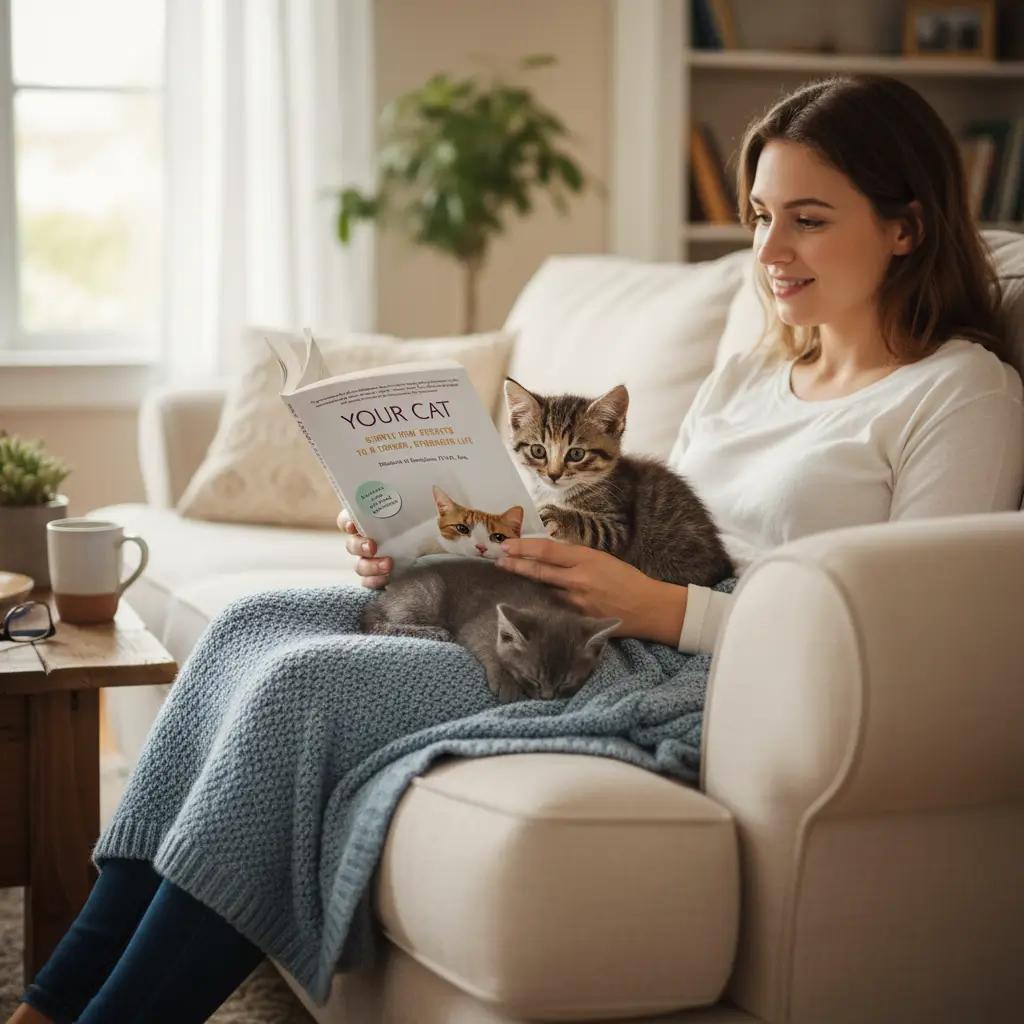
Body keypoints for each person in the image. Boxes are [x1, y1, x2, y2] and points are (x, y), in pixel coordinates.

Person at [9, 73, 1023, 1024]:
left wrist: (662, 611)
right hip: (598, 606)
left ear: (905, 226)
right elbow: (637, 525)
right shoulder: (758, 368)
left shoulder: (958, 392)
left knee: (304, 687)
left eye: (808, 218)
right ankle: (51, 1002)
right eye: (759, 215)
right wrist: (427, 538)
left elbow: (907, 646)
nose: (767, 251)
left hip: (684, 667)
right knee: (248, 627)